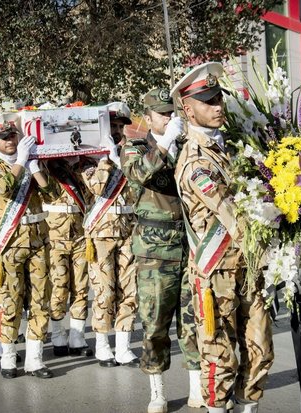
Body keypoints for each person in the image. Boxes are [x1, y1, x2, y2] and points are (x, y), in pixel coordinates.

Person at [172, 62, 274, 413]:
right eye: (208, 100)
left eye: (219, 98)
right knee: (220, 357)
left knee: (260, 350)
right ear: (188, 109)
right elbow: (232, 214)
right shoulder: (194, 162)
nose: (218, 106)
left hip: (248, 266)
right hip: (215, 274)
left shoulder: (232, 148)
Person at [120, 88, 202, 412]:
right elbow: (140, 173)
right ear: (148, 116)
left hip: (189, 244)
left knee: (193, 320)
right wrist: (166, 142)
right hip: (155, 250)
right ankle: (158, 391)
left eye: (171, 113)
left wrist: (182, 141)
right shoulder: (135, 147)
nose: (169, 118)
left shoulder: (185, 143)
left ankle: (196, 388)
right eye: (162, 113)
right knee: (155, 324)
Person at [0, 113, 54, 379]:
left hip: (38, 239)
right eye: (3, 137)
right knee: (10, 300)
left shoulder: (29, 159)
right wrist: (21, 160)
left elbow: (52, 192)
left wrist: (35, 168)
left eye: (13, 135)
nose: (10, 140)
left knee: (40, 300)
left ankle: (35, 359)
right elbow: (4, 189)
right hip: (10, 241)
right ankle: (8, 357)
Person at [81, 102, 140, 368]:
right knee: (104, 291)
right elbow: (96, 187)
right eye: (112, 126)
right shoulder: (89, 159)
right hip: (101, 234)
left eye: (119, 126)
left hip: (129, 231)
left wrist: (122, 159)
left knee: (130, 289)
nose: (116, 131)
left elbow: (141, 183)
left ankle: (124, 346)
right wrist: (107, 158)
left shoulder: (134, 153)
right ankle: (103, 344)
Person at [44, 156, 93, 358]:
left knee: (81, 288)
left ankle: (77, 337)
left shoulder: (87, 165)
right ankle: (57, 335)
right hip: (55, 235)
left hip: (80, 234)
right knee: (59, 286)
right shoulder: (46, 165)